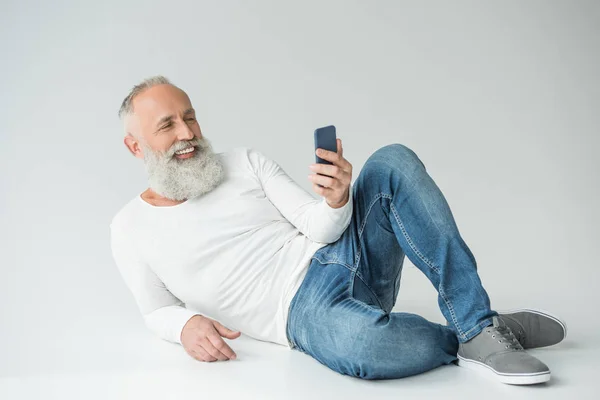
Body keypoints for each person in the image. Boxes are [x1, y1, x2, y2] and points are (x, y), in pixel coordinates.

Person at [110, 75, 566, 385]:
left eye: (189, 116)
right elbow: (155, 310)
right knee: (365, 347)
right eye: (166, 125)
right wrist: (185, 323)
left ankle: (476, 321)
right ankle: (479, 336)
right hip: (302, 314)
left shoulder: (243, 162)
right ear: (135, 146)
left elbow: (318, 227)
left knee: (391, 160)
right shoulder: (130, 227)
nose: (186, 132)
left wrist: (336, 198)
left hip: (342, 254)